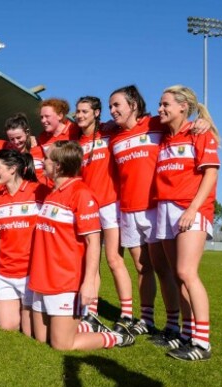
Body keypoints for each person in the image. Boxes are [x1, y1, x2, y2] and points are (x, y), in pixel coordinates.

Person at [28, 140, 135, 350]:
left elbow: (94, 242)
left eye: (47, 158)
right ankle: (84, 325)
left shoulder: (81, 194)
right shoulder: (52, 193)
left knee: (62, 345)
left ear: (58, 165)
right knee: (41, 338)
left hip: (65, 281)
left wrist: (88, 283)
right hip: (42, 278)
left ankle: (116, 337)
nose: (43, 161)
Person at [107, 85, 180, 337]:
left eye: (117, 105)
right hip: (128, 210)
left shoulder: (155, 123)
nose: (112, 111)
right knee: (142, 268)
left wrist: (201, 123)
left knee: (162, 267)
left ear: (134, 105)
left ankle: (172, 325)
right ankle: (146, 320)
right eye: (110, 107)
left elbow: (182, 123)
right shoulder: (114, 137)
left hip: (154, 208)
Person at [154, 85, 220, 361]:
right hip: (165, 209)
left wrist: (193, 209)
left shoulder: (199, 132)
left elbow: (211, 174)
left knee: (186, 272)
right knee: (177, 275)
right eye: (160, 104)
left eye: (165, 104)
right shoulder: (163, 138)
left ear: (184, 106)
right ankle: (186, 334)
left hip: (190, 209)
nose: (160, 109)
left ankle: (202, 344)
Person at [74, 96, 133, 331]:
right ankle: (91, 312)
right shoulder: (77, 140)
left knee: (113, 259)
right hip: (88, 208)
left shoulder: (110, 131)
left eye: (84, 111)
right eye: (77, 111)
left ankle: (127, 315)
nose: (79, 115)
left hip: (110, 204)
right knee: (91, 261)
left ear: (97, 113)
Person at [0, 148, 50, 334]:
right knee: (7, 327)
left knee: (30, 332)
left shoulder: (38, 191)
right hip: (5, 274)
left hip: (30, 274)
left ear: (13, 169)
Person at [3, 113, 44, 180]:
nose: (16, 142)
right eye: (12, 139)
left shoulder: (40, 147)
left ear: (27, 132)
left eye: (19, 137)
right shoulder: (8, 153)